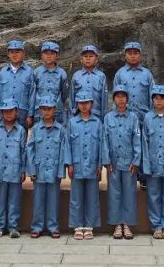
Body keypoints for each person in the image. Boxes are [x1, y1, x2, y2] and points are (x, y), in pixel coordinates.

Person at [26, 94, 70, 239]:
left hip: (54, 169)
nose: (46, 112)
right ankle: (37, 226)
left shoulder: (61, 130)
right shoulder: (36, 129)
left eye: (49, 109)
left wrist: (61, 171)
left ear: (54, 110)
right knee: (38, 200)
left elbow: (64, 151)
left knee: (53, 200)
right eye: (43, 109)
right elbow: (30, 150)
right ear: (40, 111)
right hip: (38, 170)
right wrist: (31, 169)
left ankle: (53, 226)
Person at [141, 85, 164, 239]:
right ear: (152, 100)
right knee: (154, 195)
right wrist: (146, 165)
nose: (158, 101)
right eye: (156, 98)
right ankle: (156, 225)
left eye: (162, 98)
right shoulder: (148, 118)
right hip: (153, 163)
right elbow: (144, 142)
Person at [103, 86, 141, 240]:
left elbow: (137, 139)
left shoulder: (133, 117)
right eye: (117, 96)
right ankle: (117, 224)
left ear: (127, 99)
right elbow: (104, 139)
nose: (120, 99)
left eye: (123, 96)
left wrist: (136, 159)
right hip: (113, 162)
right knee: (114, 193)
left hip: (129, 162)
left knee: (129, 193)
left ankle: (127, 224)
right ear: (114, 99)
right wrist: (106, 160)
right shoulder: (108, 118)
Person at [67, 92, 106, 240]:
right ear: (77, 104)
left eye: (87, 102)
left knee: (92, 196)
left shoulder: (97, 123)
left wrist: (100, 165)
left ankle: (89, 226)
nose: (84, 105)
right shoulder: (72, 123)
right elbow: (67, 145)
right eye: (81, 103)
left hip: (92, 164)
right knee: (76, 197)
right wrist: (69, 164)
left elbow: (102, 144)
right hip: (76, 165)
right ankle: (77, 225)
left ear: (91, 104)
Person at [0, 98, 27, 238]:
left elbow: (24, 151)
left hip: (14, 169)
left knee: (14, 200)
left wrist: (23, 169)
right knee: (0, 200)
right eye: (5, 112)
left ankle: (13, 227)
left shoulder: (21, 130)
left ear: (16, 112)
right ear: (2, 113)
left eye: (11, 111)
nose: (8, 114)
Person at [0, 40, 35, 128]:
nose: (14, 55)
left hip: (23, 114)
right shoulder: (3, 72)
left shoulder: (29, 72)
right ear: (8, 54)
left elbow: (32, 94)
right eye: (12, 52)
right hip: (5, 113)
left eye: (17, 52)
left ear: (23, 53)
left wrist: (30, 115)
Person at [113, 41, 153, 119]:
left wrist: (151, 116)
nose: (132, 56)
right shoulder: (120, 74)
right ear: (125, 56)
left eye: (135, 53)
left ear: (140, 56)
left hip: (144, 115)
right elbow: (115, 96)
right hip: (125, 115)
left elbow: (152, 96)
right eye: (130, 53)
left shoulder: (147, 74)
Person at [32, 41, 69, 124]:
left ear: (57, 55)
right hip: (40, 113)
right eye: (46, 53)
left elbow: (64, 94)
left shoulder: (62, 73)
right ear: (41, 56)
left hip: (56, 113)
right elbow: (33, 94)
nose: (49, 56)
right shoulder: (36, 72)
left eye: (52, 53)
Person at [69, 45, 108, 120]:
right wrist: (72, 117)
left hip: (97, 117)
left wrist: (103, 119)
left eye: (91, 56)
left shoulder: (101, 76)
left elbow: (104, 100)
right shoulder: (76, 76)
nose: (88, 58)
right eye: (85, 56)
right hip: (79, 116)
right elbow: (72, 99)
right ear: (81, 59)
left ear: (96, 59)